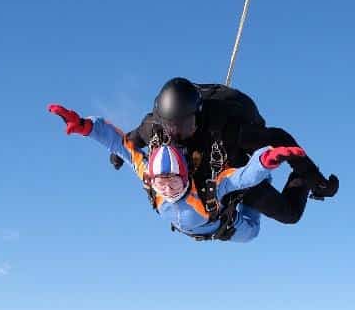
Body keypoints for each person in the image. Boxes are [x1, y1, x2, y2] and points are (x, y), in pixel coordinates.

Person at [48, 104, 311, 242]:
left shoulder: (206, 189)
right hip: (201, 228)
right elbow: (120, 145)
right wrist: (84, 126)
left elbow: (240, 177)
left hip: (227, 227)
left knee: (252, 230)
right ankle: (263, 179)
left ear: (185, 177)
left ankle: (297, 180)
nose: (167, 189)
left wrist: (266, 160)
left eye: (173, 182)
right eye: (161, 184)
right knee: (250, 217)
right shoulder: (149, 177)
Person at [126, 78, 339, 209]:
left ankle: (299, 181)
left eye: (185, 125)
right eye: (171, 126)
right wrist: (117, 154)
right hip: (200, 178)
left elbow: (279, 138)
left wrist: (314, 178)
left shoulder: (229, 129)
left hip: (231, 163)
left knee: (289, 213)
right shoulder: (153, 128)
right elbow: (132, 139)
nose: (177, 133)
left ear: (198, 116)